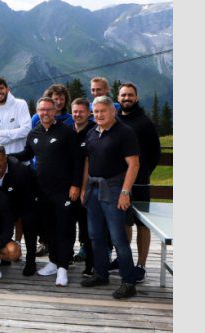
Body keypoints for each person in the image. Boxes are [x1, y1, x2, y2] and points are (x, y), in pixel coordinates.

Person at [10, 97, 81, 286]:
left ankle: (63, 268)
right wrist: (5, 156)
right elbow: (27, 154)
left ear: (55, 111)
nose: (45, 113)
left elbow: (77, 160)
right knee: (49, 230)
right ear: (37, 112)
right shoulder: (34, 133)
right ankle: (54, 262)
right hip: (42, 191)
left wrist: (75, 185)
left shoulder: (66, 132)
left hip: (64, 190)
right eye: (41, 110)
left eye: (49, 109)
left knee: (64, 228)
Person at [80, 96, 140, 299]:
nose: (98, 115)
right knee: (95, 235)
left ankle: (129, 282)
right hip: (93, 189)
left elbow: (134, 165)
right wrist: (84, 188)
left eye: (102, 111)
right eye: (95, 111)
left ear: (113, 111)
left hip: (114, 189)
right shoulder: (91, 133)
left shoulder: (125, 133)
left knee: (118, 238)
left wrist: (125, 192)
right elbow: (88, 162)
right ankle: (101, 274)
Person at [116, 82, 161, 283]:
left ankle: (141, 265)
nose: (127, 98)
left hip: (140, 182)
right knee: (124, 222)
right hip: (118, 181)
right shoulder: (115, 118)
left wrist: (143, 174)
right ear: (118, 98)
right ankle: (124, 260)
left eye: (130, 95)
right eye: (123, 95)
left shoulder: (145, 122)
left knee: (142, 223)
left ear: (137, 97)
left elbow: (155, 153)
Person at [0, 144, 40, 276]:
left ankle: (31, 261)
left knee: (29, 221)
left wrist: (17, 216)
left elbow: (30, 198)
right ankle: (2, 255)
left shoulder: (21, 171)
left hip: (22, 203)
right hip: (0, 207)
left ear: (6, 158)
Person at [71, 97, 96, 275]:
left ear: (88, 113)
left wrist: (83, 187)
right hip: (70, 187)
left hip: (89, 187)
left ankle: (91, 266)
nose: (78, 114)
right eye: (75, 111)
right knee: (68, 225)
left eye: (81, 111)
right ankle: (65, 259)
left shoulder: (94, 131)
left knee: (88, 229)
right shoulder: (68, 131)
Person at [0, 76, 31, 155]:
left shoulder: (21, 104)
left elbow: (26, 130)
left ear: (7, 89)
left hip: (22, 157)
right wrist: (18, 135)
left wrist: (2, 133)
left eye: (1, 88)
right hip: (2, 160)